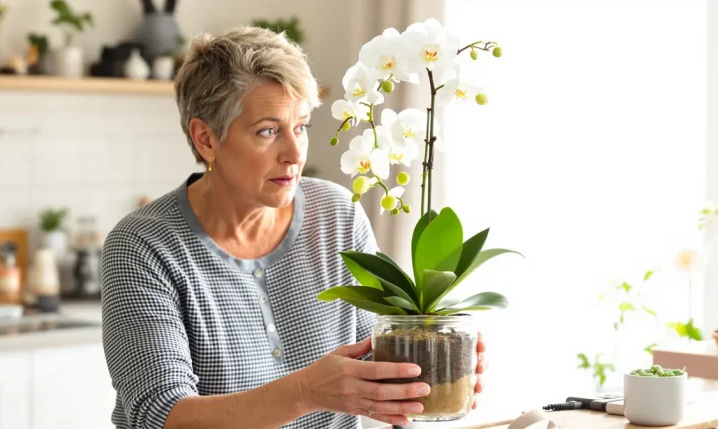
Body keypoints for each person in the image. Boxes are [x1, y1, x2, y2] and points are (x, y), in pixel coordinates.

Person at [100, 26, 487, 429]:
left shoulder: (337, 215)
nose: (294, 153)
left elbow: (374, 360)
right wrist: (306, 392)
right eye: (268, 131)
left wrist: (436, 363)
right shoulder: (142, 246)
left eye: (300, 126)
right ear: (206, 139)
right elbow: (161, 415)